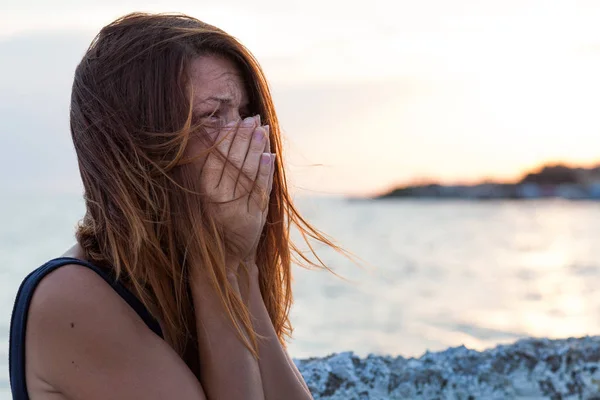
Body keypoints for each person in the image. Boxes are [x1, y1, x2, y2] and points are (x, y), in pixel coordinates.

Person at [9, 12, 343, 400]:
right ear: (137, 148)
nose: (251, 136)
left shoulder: (189, 269)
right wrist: (214, 264)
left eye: (245, 113)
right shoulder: (71, 297)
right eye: (212, 116)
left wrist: (241, 264)